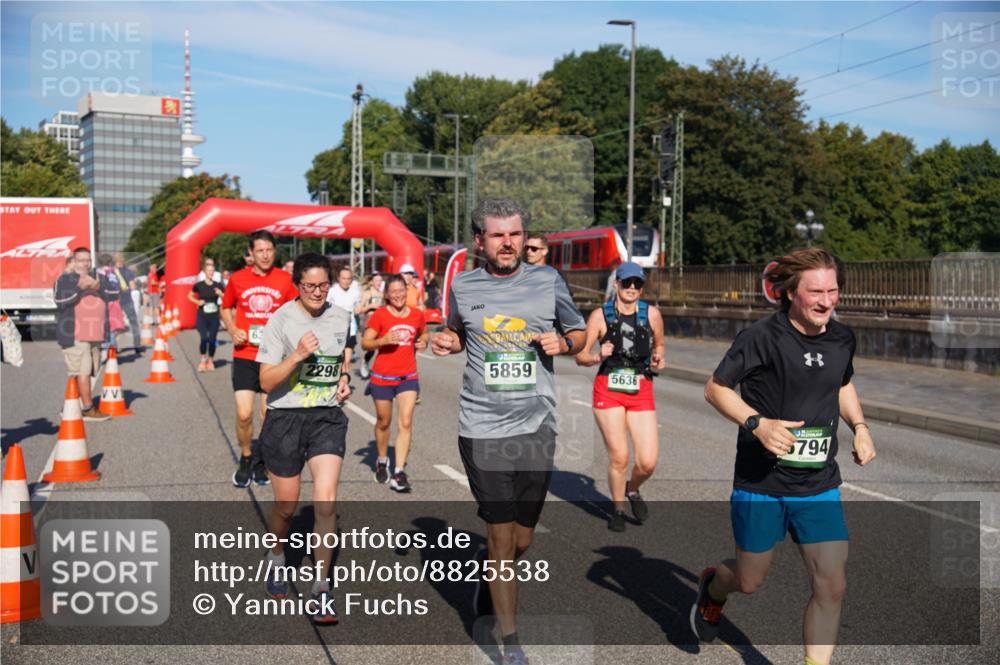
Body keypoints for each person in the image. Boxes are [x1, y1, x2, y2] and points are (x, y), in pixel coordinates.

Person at [690, 247, 877, 665]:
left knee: (832, 586)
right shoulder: (761, 337)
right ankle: (714, 586)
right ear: (791, 292)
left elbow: (842, 383)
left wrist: (860, 428)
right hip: (762, 483)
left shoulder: (843, 337)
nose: (826, 301)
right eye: (815, 292)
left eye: (833, 291)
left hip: (818, 484)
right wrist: (759, 424)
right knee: (750, 579)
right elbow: (715, 389)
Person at [432, 198, 585, 665]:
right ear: (480, 241)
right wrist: (447, 340)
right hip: (481, 427)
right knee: (499, 537)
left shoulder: (548, 281)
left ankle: (489, 579)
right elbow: (456, 332)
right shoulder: (463, 283)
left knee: (522, 540)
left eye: (515, 234)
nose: (508, 243)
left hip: (537, 425)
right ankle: (511, 642)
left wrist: (565, 341)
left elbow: (579, 334)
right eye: (498, 235)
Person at [257, 252, 353, 624]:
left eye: (323, 285)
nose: (317, 291)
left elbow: (338, 364)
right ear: (297, 284)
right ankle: (277, 554)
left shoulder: (341, 317)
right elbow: (265, 382)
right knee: (286, 505)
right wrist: (296, 355)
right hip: (285, 418)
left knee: (326, 501)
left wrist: (343, 382)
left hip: (326, 418)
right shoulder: (281, 319)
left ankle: (321, 588)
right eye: (309, 285)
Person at [575, 262, 666, 532]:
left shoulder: (651, 315)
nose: (632, 288)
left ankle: (633, 488)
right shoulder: (600, 316)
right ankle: (617, 509)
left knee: (648, 461)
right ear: (616, 284)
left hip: (641, 388)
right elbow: (580, 355)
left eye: (638, 284)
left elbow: (659, 344)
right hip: (608, 389)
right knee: (620, 456)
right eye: (627, 283)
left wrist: (659, 358)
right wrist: (596, 356)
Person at [221, 230, 299, 488]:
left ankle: (262, 460)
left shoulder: (285, 280)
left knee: (267, 414)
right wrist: (232, 329)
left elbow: (296, 312)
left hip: (272, 357)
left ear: (274, 252)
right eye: (260, 251)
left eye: (269, 250)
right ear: (251, 255)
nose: (265, 255)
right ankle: (246, 457)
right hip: (244, 355)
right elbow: (226, 307)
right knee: (244, 414)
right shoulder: (238, 279)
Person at [362, 273, 428, 492]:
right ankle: (382, 460)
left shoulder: (416, 315)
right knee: (383, 422)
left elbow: (424, 333)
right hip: (382, 377)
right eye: (394, 292)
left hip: (408, 376)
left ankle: (398, 472)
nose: (398, 295)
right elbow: (365, 343)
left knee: (406, 422)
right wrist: (383, 340)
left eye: (402, 290)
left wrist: (423, 342)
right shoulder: (380, 316)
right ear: (387, 294)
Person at [53, 247, 119, 421]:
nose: (85, 263)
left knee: (88, 371)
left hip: (95, 335)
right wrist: (81, 289)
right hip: (75, 335)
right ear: (74, 262)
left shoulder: (99, 277)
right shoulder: (66, 279)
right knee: (81, 371)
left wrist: (98, 288)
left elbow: (115, 293)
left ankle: (71, 405)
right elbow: (60, 301)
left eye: (88, 260)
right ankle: (88, 409)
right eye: (81, 260)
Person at [189, 259, 225, 372]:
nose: (211, 273)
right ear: (205, 272)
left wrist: (221, 294)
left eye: (212, 271)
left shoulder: (218, 285)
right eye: (209, 271)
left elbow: (227, 298)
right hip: (202, 315)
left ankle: (210, 360)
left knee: (212, 339)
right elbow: (189, 296)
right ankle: (203, 359)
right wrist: (197, 302)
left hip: (214, 315)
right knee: (204, 338)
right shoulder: (199, 285)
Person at [327, 265, 362, 365]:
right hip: (335, 324)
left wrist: (358, 308)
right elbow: (325, 306)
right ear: (338, 278)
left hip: (350, 324)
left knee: (347, 355)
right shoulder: (332, 291)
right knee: (336, 355)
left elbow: (358, 305)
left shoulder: (355, 292)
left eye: (349, 278)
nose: (346, 281)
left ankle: (345, 373)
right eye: (344, 278)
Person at [357, 272, 385, 380]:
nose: (378, 283)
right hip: (369, 321)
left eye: (380, 281)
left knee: (382, 346)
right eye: (376, 280)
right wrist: (370, 306)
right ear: (372, 282)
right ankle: (365, 362)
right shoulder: (367, 294)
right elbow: (360, 310)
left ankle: (380, 370)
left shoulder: (382, 294)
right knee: (372, 347)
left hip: (381, 322)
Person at [113, 254, 142, 353]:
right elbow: (133, 286)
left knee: (114, 325)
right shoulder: (128, 271)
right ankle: (137, 345)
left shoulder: (111, 272)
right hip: (126, 299)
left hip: (115, 301)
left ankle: (114, 348)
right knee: (133, 322)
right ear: (123, 261)